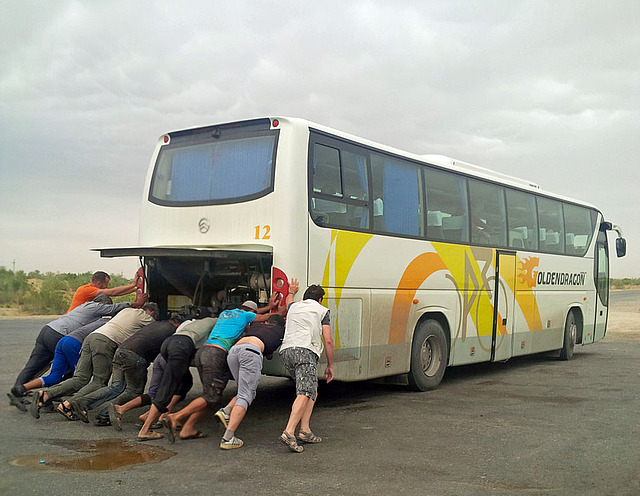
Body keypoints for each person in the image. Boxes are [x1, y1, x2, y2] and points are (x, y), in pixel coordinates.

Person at [160, 296, 280, 443]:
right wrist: (275, 309)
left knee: (211, 397)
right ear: (251, 313)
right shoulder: (245, 315)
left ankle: (188, 428)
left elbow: (248, 317)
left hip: (202, 352)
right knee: (211, 397)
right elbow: (266, 317)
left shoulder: (225, 314)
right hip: (215, 354)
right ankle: (176, 417)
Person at [7, 293, 141, 411]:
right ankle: (54, 398)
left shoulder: (83, 307)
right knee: (80, 377)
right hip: (66, 338)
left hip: (53, 333)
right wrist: (133, 304)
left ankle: (21, 388)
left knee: (47, 372)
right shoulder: (101, 313)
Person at [31, 303, 159, 420]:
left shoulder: (126, 311)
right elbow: (155, 329)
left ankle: (46, 395)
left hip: (91, 338)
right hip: (105, 342)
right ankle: (68, 405)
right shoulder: (145, 316)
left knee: (80, 378)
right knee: (99, 382)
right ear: (151, 313)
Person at [67, 316, 183, 425]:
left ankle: (83, 403)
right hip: (134, 357)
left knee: (116, 387)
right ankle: (105, 414)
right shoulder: (172, 331)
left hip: (120, 351)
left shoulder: (157, 324)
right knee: (133, 391)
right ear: (178, 325)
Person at [215, 313, 286, 449]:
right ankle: (227, 438)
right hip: (251, 352)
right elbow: (270, 354)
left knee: (243, 391)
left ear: (267, 322)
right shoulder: (281, 331)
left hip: (234, 351)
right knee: (246, 395)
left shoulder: (257, 326)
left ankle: (227, 411)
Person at [279, 280, 334, 453]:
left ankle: (305, 430)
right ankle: (289, 432)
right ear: (320, 300)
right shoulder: (322, 310)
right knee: (304, 392)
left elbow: (289, 301)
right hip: (305, 350)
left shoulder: (294, 306)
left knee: (311, 390)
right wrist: (330, 365)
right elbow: (328, 340)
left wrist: (291, 291)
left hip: (287, 352)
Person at [108, 353, 193, 431]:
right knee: (182, 386)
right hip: (172, 358)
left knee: (154, 393)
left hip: (160, 357)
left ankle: (122, 408)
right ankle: (165, 414)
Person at [67, 270, 142, 313]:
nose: (106, 287)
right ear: (99, 283)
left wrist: (135, 288)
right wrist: (133, 284)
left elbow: (116, 294)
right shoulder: (87, 290)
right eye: (106, 284)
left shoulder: (90, 289)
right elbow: (112, 292)